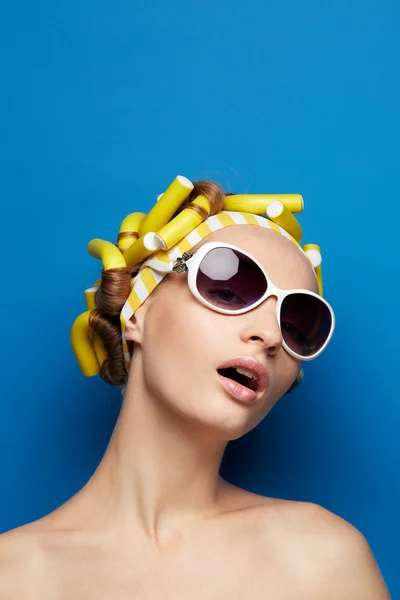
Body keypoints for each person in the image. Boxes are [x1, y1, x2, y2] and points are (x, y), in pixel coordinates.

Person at [0, 177, 390, 599]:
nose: (270, 336)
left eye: (296, 326)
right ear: (136, 311)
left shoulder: (322, 559)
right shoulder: (13, 575)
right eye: (227, 290)